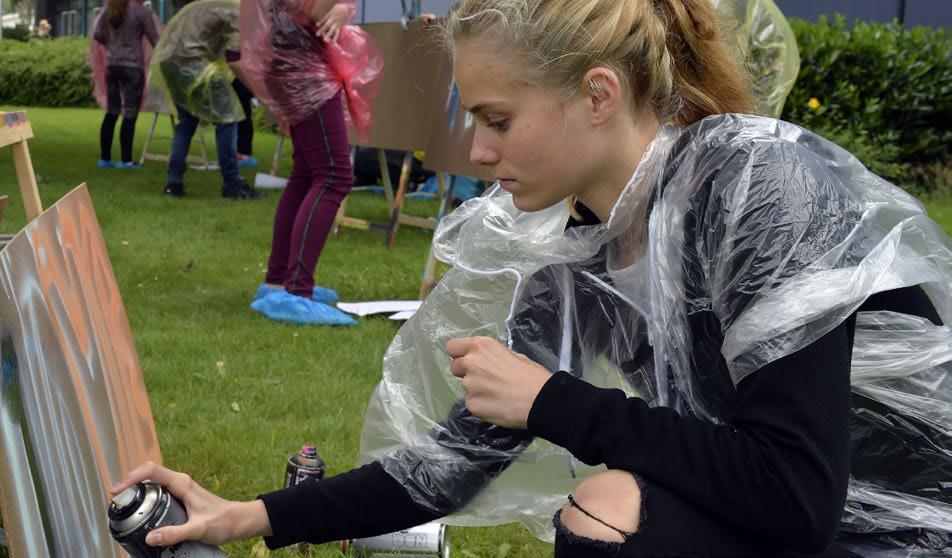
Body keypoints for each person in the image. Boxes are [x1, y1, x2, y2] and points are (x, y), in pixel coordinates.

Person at [112, 1, 952, 556]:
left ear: (597, 94)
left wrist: (553, 402)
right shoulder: (586, 258)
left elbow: (797, 496)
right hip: (788, 523)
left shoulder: (760, 192)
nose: (478, 152)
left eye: (497, 120)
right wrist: (251, 516)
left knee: (613, 504)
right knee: (613, 501)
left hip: (896, 536)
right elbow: (447, 465)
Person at [241, 0, 382, 324]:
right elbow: (317, 11)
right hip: (304, 70)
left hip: (292, 64)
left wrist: (343, 9)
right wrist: (343, 8)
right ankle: (295, 291)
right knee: (334, 176)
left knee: (306, 174)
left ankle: (278, 282)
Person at [152, 0, 262, 199]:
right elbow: (235, 60)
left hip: (170, 63)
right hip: (196, 65)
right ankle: (232, 184)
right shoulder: (237, 12)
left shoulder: (207, 4)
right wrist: (259, 92)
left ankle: (173, 184)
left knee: (186, 122)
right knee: (228, 119)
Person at [91, 0, 159, 169]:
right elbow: (155, 39)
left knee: (112, 112)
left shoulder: (109, 10)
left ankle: (105, 158)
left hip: (112, 66)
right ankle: (126, 160)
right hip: (132, 67)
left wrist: (112, 45)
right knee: (129, 113)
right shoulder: (141, 12)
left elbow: (98, 34)